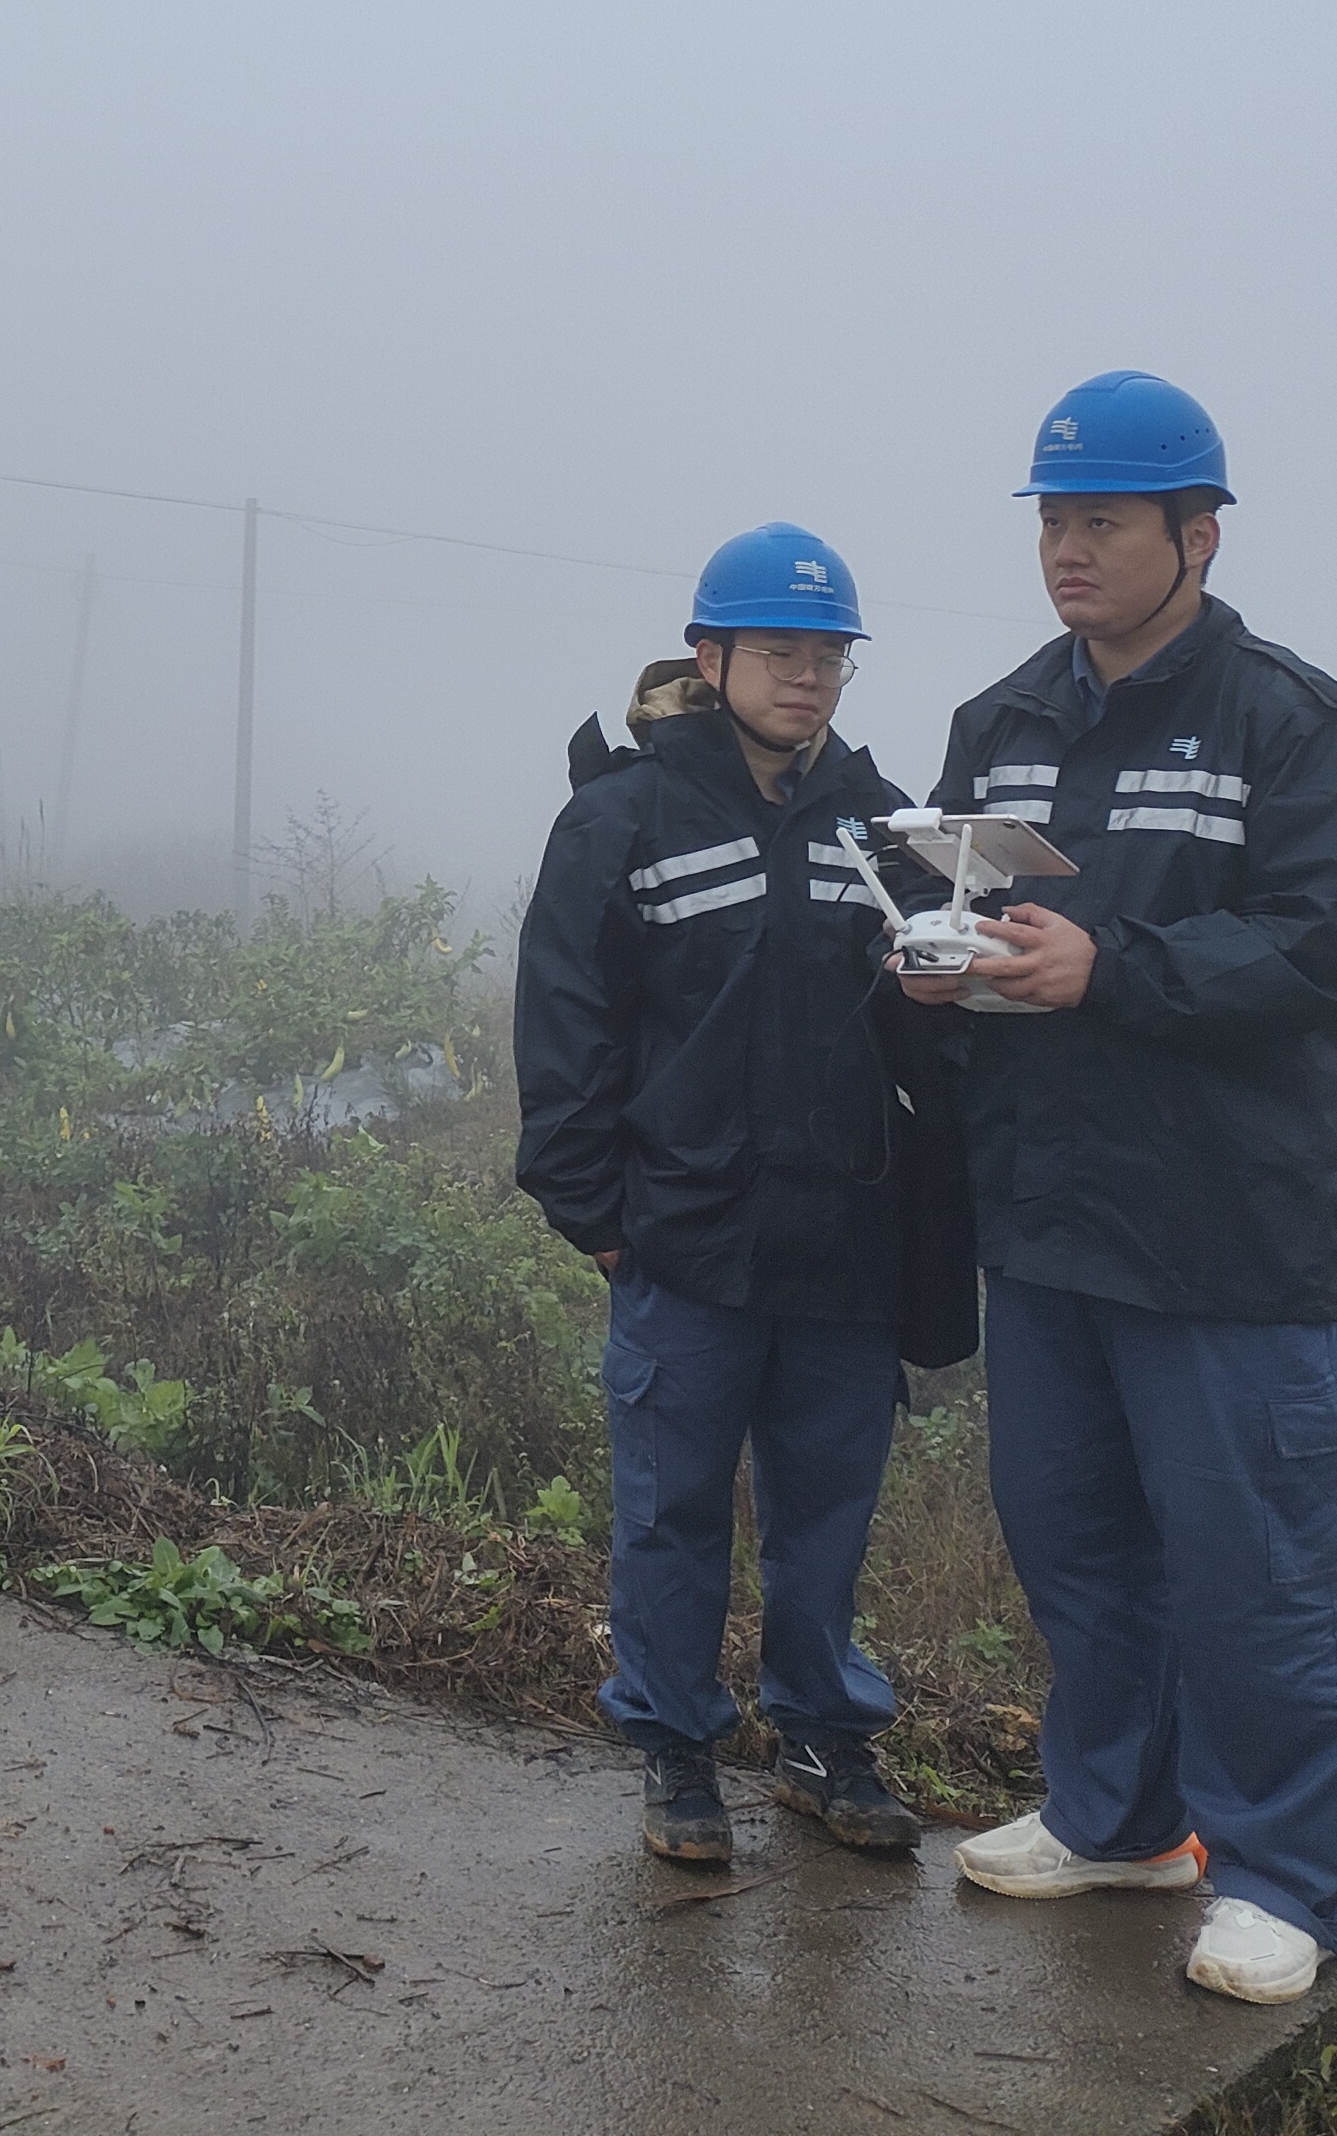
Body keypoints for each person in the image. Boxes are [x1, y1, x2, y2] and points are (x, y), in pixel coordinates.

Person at [903, 371, 1337, 2006]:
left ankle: (1282, 1877)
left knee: (1255, 1564)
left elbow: (1332, 939)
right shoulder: (1003, 720)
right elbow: (971, 896)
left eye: (1105, 524)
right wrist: (940, 962)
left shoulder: (1291, 723)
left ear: (1196, 536)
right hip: (1052, 1221)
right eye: (1054, 523)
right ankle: (1118, 1823)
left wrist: (1111, 969)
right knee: (1076, 1545)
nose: (1069, 552)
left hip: (1225, 1234)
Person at [518, 523, 975, 1869]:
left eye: (829, 655)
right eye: (782, 652)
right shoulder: (621, 817)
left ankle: (828, 1742)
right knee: (671, 1512)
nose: (810, 678)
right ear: (710, 656)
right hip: (683, 1246)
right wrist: (597, 1217)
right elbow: (564, 1029)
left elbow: (933, 1024)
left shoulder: (882, 823)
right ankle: (676, 1755)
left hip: (844, 1246)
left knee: (826, 1515)